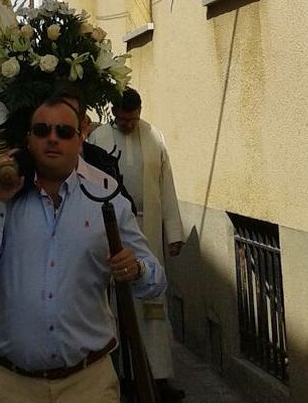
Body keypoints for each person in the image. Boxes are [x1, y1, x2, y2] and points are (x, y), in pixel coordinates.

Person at [0, 95, 165, 402]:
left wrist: (136, 268)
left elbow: (155, 280)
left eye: (64, 132)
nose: (52, 138)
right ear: (28, 139)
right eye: (42, 130)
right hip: (13, 385)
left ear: (80, 139)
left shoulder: (106, 198)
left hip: (89, 383)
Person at [90, 88, 185, 400]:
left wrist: (173, 231)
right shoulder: (99, 138)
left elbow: (166, 183)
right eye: (123, 119)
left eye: (133, 119)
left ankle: (157, 374)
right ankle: (122, 375)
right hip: (112, 227)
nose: (128, 124)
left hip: (148, 225)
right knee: (116, 302)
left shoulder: (154, 136)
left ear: (140, 112)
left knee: (153, 305)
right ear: (113, 114)